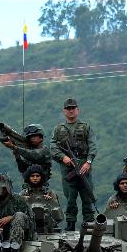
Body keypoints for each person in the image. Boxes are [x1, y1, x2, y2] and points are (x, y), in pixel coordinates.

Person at [50, 97, 98, 230]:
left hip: (83, 165)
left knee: (87, 194)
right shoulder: (58, 129)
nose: (71, 111)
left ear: (78, 110)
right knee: (70, 196)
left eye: (73, 108)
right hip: (67, 167)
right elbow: (53, 147)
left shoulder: (86, 127)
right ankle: (70, 223)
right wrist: (63, 157)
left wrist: (88, 161)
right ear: (64, 111)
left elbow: (93, 146)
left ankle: (89, 222)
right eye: (68, 109)